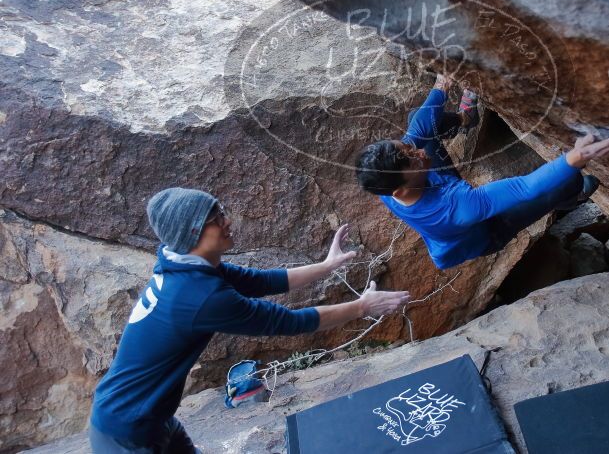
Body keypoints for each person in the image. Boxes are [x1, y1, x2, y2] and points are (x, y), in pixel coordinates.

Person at [89, 187, 409, 453]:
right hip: (129, 433)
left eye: (221, 210)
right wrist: (361, 307)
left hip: (148, 416)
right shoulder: (201, 296)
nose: (227, 221)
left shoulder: (183, 264)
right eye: (216, 218)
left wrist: (327, 267)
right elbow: (289, 322)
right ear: (192, 232)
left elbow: (262, 281)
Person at [356, 74, 609, 270]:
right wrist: (579, 155)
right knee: (563, 182)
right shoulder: (460, 207)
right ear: (400, 190)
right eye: (412, 159)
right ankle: (570, 198)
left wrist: (443, 82)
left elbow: (417, 129)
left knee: (420, 121)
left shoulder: (385, 183)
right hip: (488, 229)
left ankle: (466, 119)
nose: (418, 151)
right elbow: (525, 187)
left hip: (438, 187)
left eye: (408, 148)